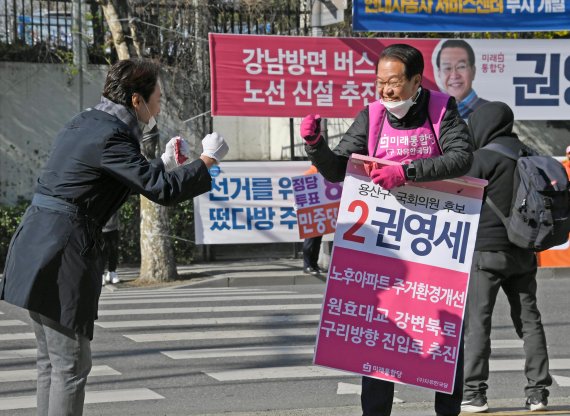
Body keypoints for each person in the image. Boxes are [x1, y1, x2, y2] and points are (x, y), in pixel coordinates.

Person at [0, 58, 229, 416]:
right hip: (61, 251)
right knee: (71, 365)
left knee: (52, 363)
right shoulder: (111, 135)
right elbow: (160, 190)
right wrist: (206, 161)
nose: (160, 104)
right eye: (158, 96)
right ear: (136, 100)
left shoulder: (87, 121)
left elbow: (121, 175)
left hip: (36, 242)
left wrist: (166, 162)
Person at [300, 43, 473, 416]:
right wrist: (316, 145)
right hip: (384, 245)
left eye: (394, 83)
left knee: (445, 336)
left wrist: (406, 171)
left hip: (433, 243)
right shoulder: (373, 116)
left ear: (415, 81)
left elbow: (461, 158)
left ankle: (448, 410)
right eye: (380, 82)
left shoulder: (442, 109)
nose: (385, 91)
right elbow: (339, 169)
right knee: (379, 335)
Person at [460, 101, 552, 413]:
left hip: (486, 253)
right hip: (524, 252)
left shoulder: (481, 158)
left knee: (478, 323)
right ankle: (538, 392)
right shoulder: (531, 155)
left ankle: (474, 393)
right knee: (529, 321)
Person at [435, 39, 488, 119]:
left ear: (473, 71)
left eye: (461, 67)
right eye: (447, 68)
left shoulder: (489, 110)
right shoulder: (432, 112)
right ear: (439, 73)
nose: (454, 75)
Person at [302, 165, 324, 276]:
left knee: (317, 241)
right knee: (310, 240)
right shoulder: (310, 173)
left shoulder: (324, 173)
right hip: (310, 211)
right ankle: (307, 265)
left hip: (320, 211)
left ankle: (314, 264)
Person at [102, 212, 120, 285]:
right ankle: (101, 274)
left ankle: (112, 272)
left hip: (114, 227)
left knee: (114, 250)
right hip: (99, 227)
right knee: (102, 251)